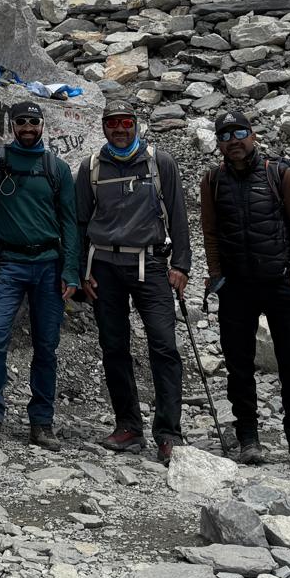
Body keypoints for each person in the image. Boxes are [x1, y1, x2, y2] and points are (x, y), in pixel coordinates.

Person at [68, 98, 192, 465]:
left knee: (164, 346)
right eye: (112, 124)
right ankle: (128, 426)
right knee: (114, 347)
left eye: (125, 123)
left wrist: (181, 265)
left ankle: (168, 432)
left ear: (136, 124)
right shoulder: (91, 167)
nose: (119, 130)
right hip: (104, 266)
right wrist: (80, 272)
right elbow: (79, 224)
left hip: (150, 264)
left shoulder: (159, 162)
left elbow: (179, 215)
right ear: (103, 127)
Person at [200, 111, 290, 471]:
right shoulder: (212, 181)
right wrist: (216, 275)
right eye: (225, 135)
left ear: (252, 136)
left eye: (239, 132)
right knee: (238, 367)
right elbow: (210, 233)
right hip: (237, 288)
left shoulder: (278, 174)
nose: (233, 140)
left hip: (282, 284)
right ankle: (248, 438)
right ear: (218, 143)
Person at [0, 99, 79, 450]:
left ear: (43, 125)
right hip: (9, 262)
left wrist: (70, 270)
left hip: (49, 263)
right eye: (21, 122)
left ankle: (41, 422)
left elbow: (71, 224)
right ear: (11, 126)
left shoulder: (57, 168)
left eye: (33, 122)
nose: (28, 128)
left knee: (46, 345)